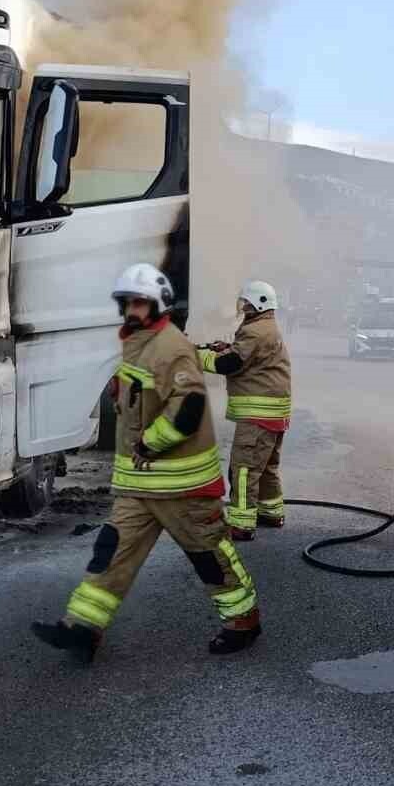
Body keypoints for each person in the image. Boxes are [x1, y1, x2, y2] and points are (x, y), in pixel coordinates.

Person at [32, 263, 261, 663]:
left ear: (159, 304)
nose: (132, 310)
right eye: (127, 303)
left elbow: (187, 408)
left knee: (211, 558)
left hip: (182, 488)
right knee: (111, 554)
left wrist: (149, 444)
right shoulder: (136, 343)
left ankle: (243, 621)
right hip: (138, 487)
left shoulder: (171, 347)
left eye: (140, 303)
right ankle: (82, 629)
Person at [197, 280, 292, 542]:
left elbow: (230, 364)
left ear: (259, 303)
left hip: (258, 415)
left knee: (243, 470)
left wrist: (195, 357)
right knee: (267, 467)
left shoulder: (256, 331)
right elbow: (247, 356)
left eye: (246, 303)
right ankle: (272, 513)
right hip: (273, 414)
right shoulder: (265, 327)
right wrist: (226, 347)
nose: (243, 307)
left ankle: (241, 524)